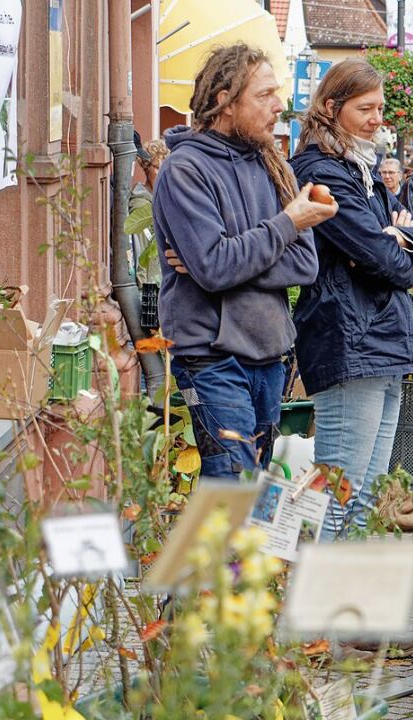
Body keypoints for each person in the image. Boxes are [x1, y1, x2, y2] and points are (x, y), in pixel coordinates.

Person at [153, 44, 336, 478]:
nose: (279, 105)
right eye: (265, 94)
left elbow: (304, 266)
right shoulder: (185, 170)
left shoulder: (275, 165)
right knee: (231, 485)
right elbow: (216, 269)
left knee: (251, 488)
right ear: (225, 101)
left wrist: (229, 257)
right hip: (211, 358)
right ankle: (212, 551)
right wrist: (285, 225)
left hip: (270, 353)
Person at [290, 58, 413, 536]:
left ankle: (343, 602)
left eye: (380, 108)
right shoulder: (322, 172)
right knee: (339, 493)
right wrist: (390, 245)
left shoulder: (361, 168)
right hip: (350, 338)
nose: (378, 119)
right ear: (332, 108)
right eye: (365, 108)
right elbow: (383, 258)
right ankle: (313, 606)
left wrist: (397, 239)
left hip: (381, 339)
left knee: (367, 497)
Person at [130, 133, 169, 285]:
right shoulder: (141, 205)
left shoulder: (164, 200)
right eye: (157, 167)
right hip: (149, 289)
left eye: (165, 168)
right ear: (146, 167)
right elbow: (140, 255)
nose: (162, 173)